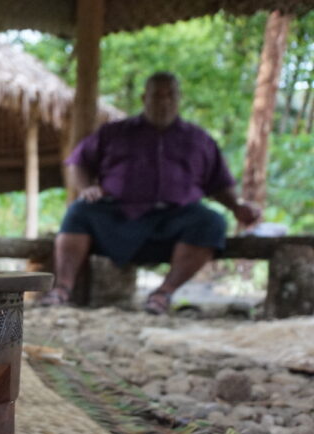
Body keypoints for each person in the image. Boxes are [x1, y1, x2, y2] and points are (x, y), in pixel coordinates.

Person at [40, 72, 261, 314]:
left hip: (174, 223)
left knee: (212, 222)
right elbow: (78, 162)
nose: (164, 101)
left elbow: (219, 184)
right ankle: (62, 288)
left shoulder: (199, 140)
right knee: (79, 212)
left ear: (179, 99)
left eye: (170, 95)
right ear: (145, 97)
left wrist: (237, 207)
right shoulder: (114, 132)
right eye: (157, 95)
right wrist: (87, 188)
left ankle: (163, 294)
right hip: (116, 217)